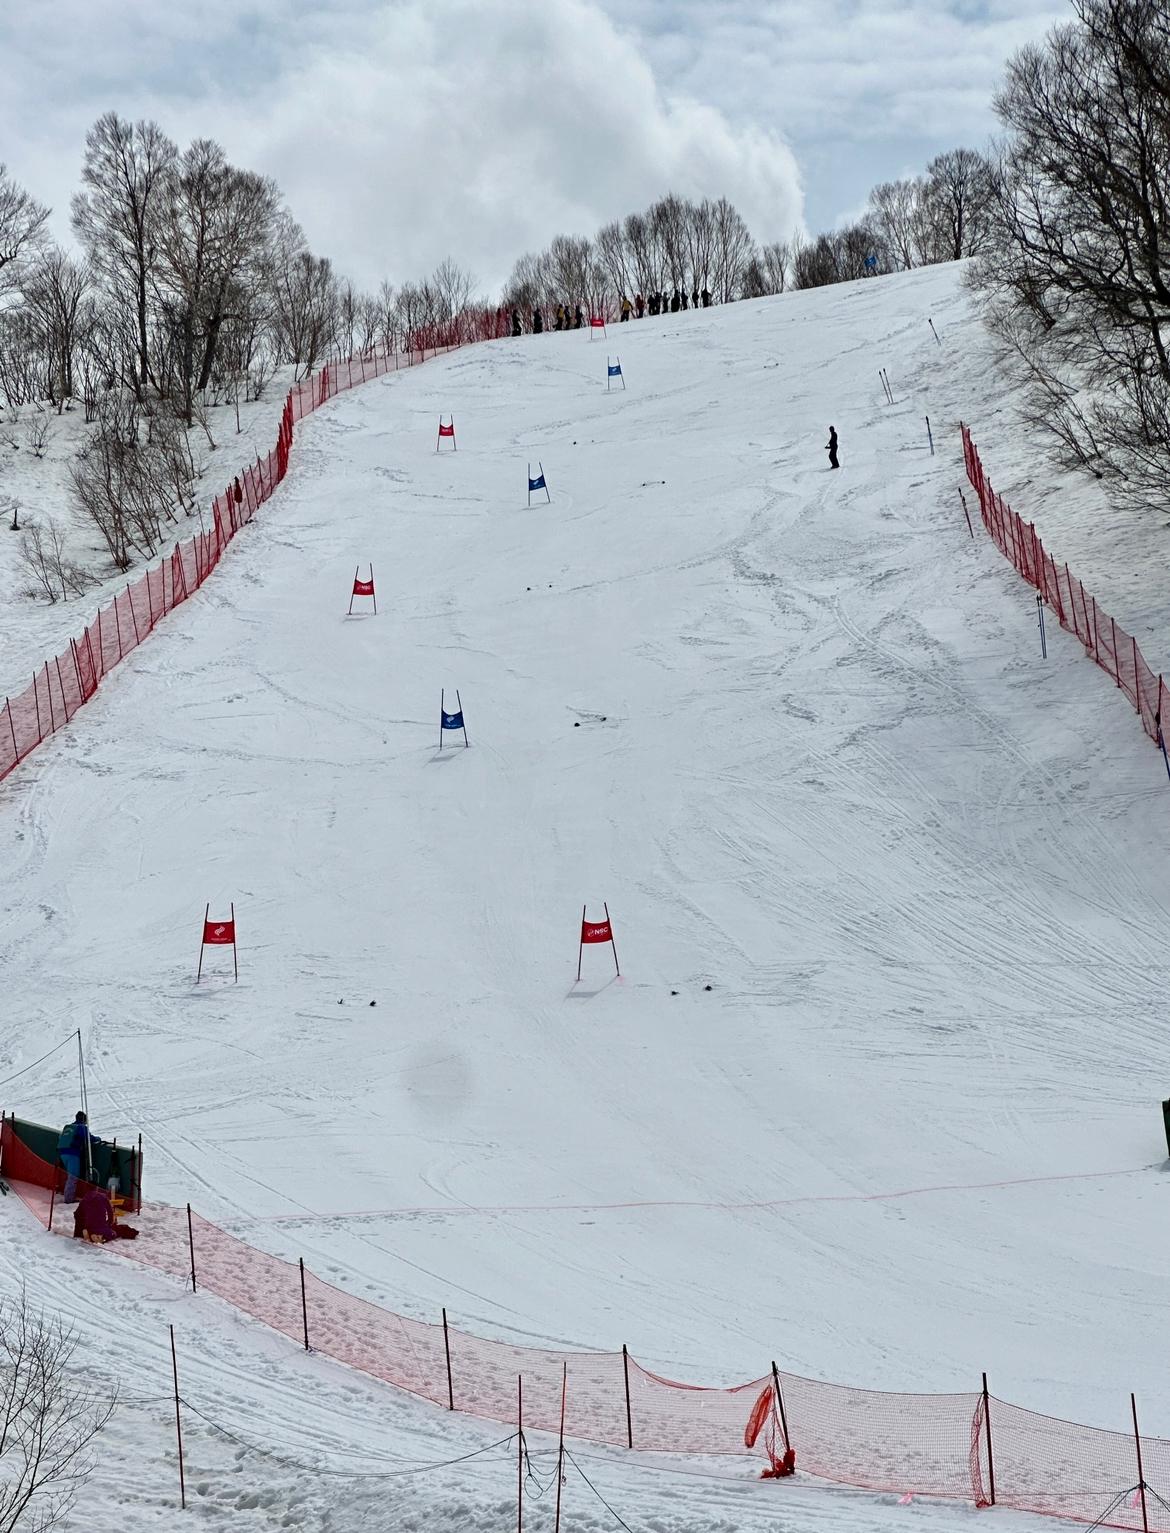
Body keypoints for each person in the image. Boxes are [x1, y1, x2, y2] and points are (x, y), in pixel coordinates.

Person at [58, 1111, 101, 1203]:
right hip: (72, 1153)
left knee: (70, 1176)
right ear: (84, 1120)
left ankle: (67, 1195)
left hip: (62, 1153)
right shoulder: (81, 1127)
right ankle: (68, 1199)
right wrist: (98, 1139)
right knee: (73, 1176)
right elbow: (90, 1138)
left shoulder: (69, 1127)